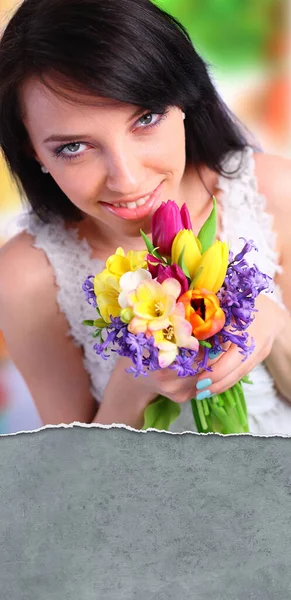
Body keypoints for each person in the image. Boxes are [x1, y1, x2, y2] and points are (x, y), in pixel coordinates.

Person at [0, 0, 290, 434]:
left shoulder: (273, 192)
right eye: (74, 147)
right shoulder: (25, 278)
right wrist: (133, 386)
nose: (127, 179)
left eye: (146, 119)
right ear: (33, 151)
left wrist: (271, 322)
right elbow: (69, 483)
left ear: (185, 98)